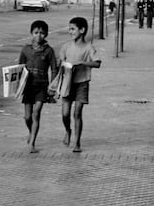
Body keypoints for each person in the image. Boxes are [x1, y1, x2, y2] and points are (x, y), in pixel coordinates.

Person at [58, 17, 101, 153]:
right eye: (69, 29)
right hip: (67, 83)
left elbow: (97, 63)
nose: (70, 32)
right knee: (65, 114)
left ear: (82, 30)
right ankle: (67, 130)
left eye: (73, 29)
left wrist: (82, 63)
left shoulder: (88, 48)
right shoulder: (66, 47)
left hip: (82, 83)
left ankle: (77, 142)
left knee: (77, 113)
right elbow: (60, 62)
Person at [19, 20, 58, 153]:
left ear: (46, 34)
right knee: (28, 117)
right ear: (31, 33)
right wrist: (17, 86)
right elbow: (20, 68)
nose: (39, 35)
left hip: (42, 86)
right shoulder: (26, 49)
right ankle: (31, 132)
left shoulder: (49, 51)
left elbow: (54, 69)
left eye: (42, 33)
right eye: (36, 32)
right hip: (28, 86)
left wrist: (52, 87)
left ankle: (32, 143)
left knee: (36, 114)